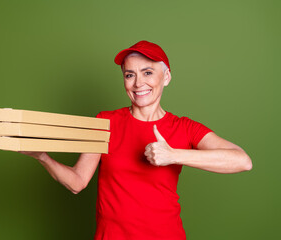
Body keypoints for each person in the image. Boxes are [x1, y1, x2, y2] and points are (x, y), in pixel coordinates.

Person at [19, 40, 252, 240]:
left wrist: (173, 155)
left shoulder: (184, 127)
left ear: (167, 76)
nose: (138, 83)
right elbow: (77, 182)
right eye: (130, 75)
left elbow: (242, 161)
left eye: (148, 72)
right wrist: (42, 156)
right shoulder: (105, 122)